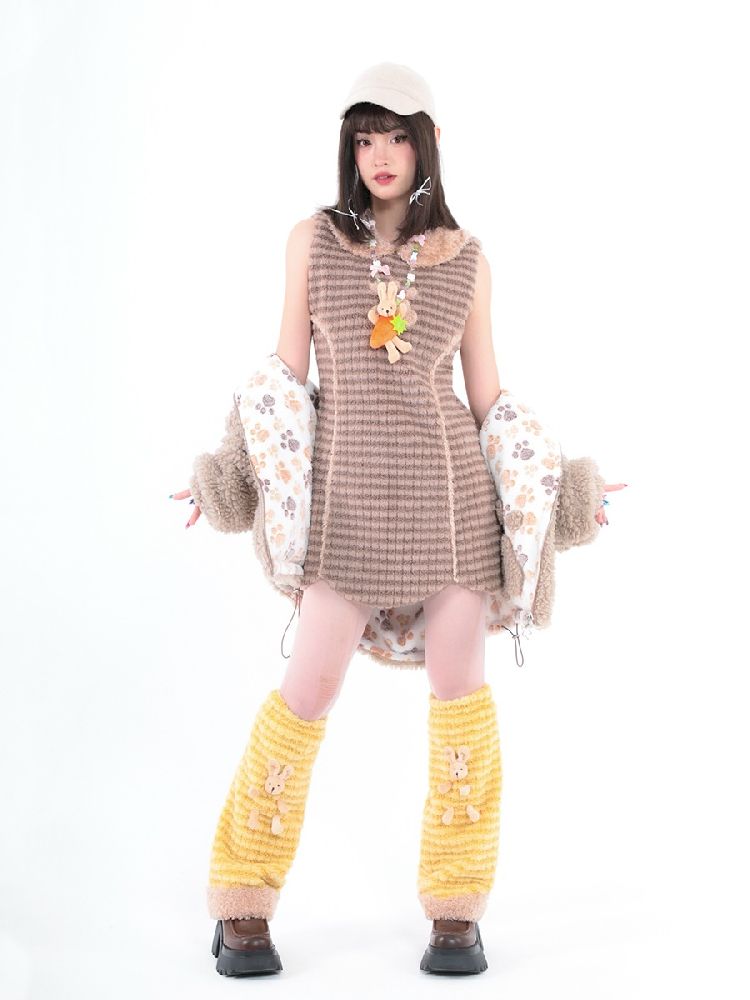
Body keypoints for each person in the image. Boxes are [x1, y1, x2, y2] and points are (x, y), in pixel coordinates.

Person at [171, 62, 626, 978]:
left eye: (397, 136)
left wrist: (564, 490)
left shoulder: (468, 260)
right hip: (347, 511)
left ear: (430, 143)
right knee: (306, 695)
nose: (380, 155)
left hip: (451, 507)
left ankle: (456, 914)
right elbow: (284, 378)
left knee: (460, 701)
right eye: (364, 138)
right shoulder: (312, 241)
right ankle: (242, 899)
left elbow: (488, 398)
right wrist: (230, 472)